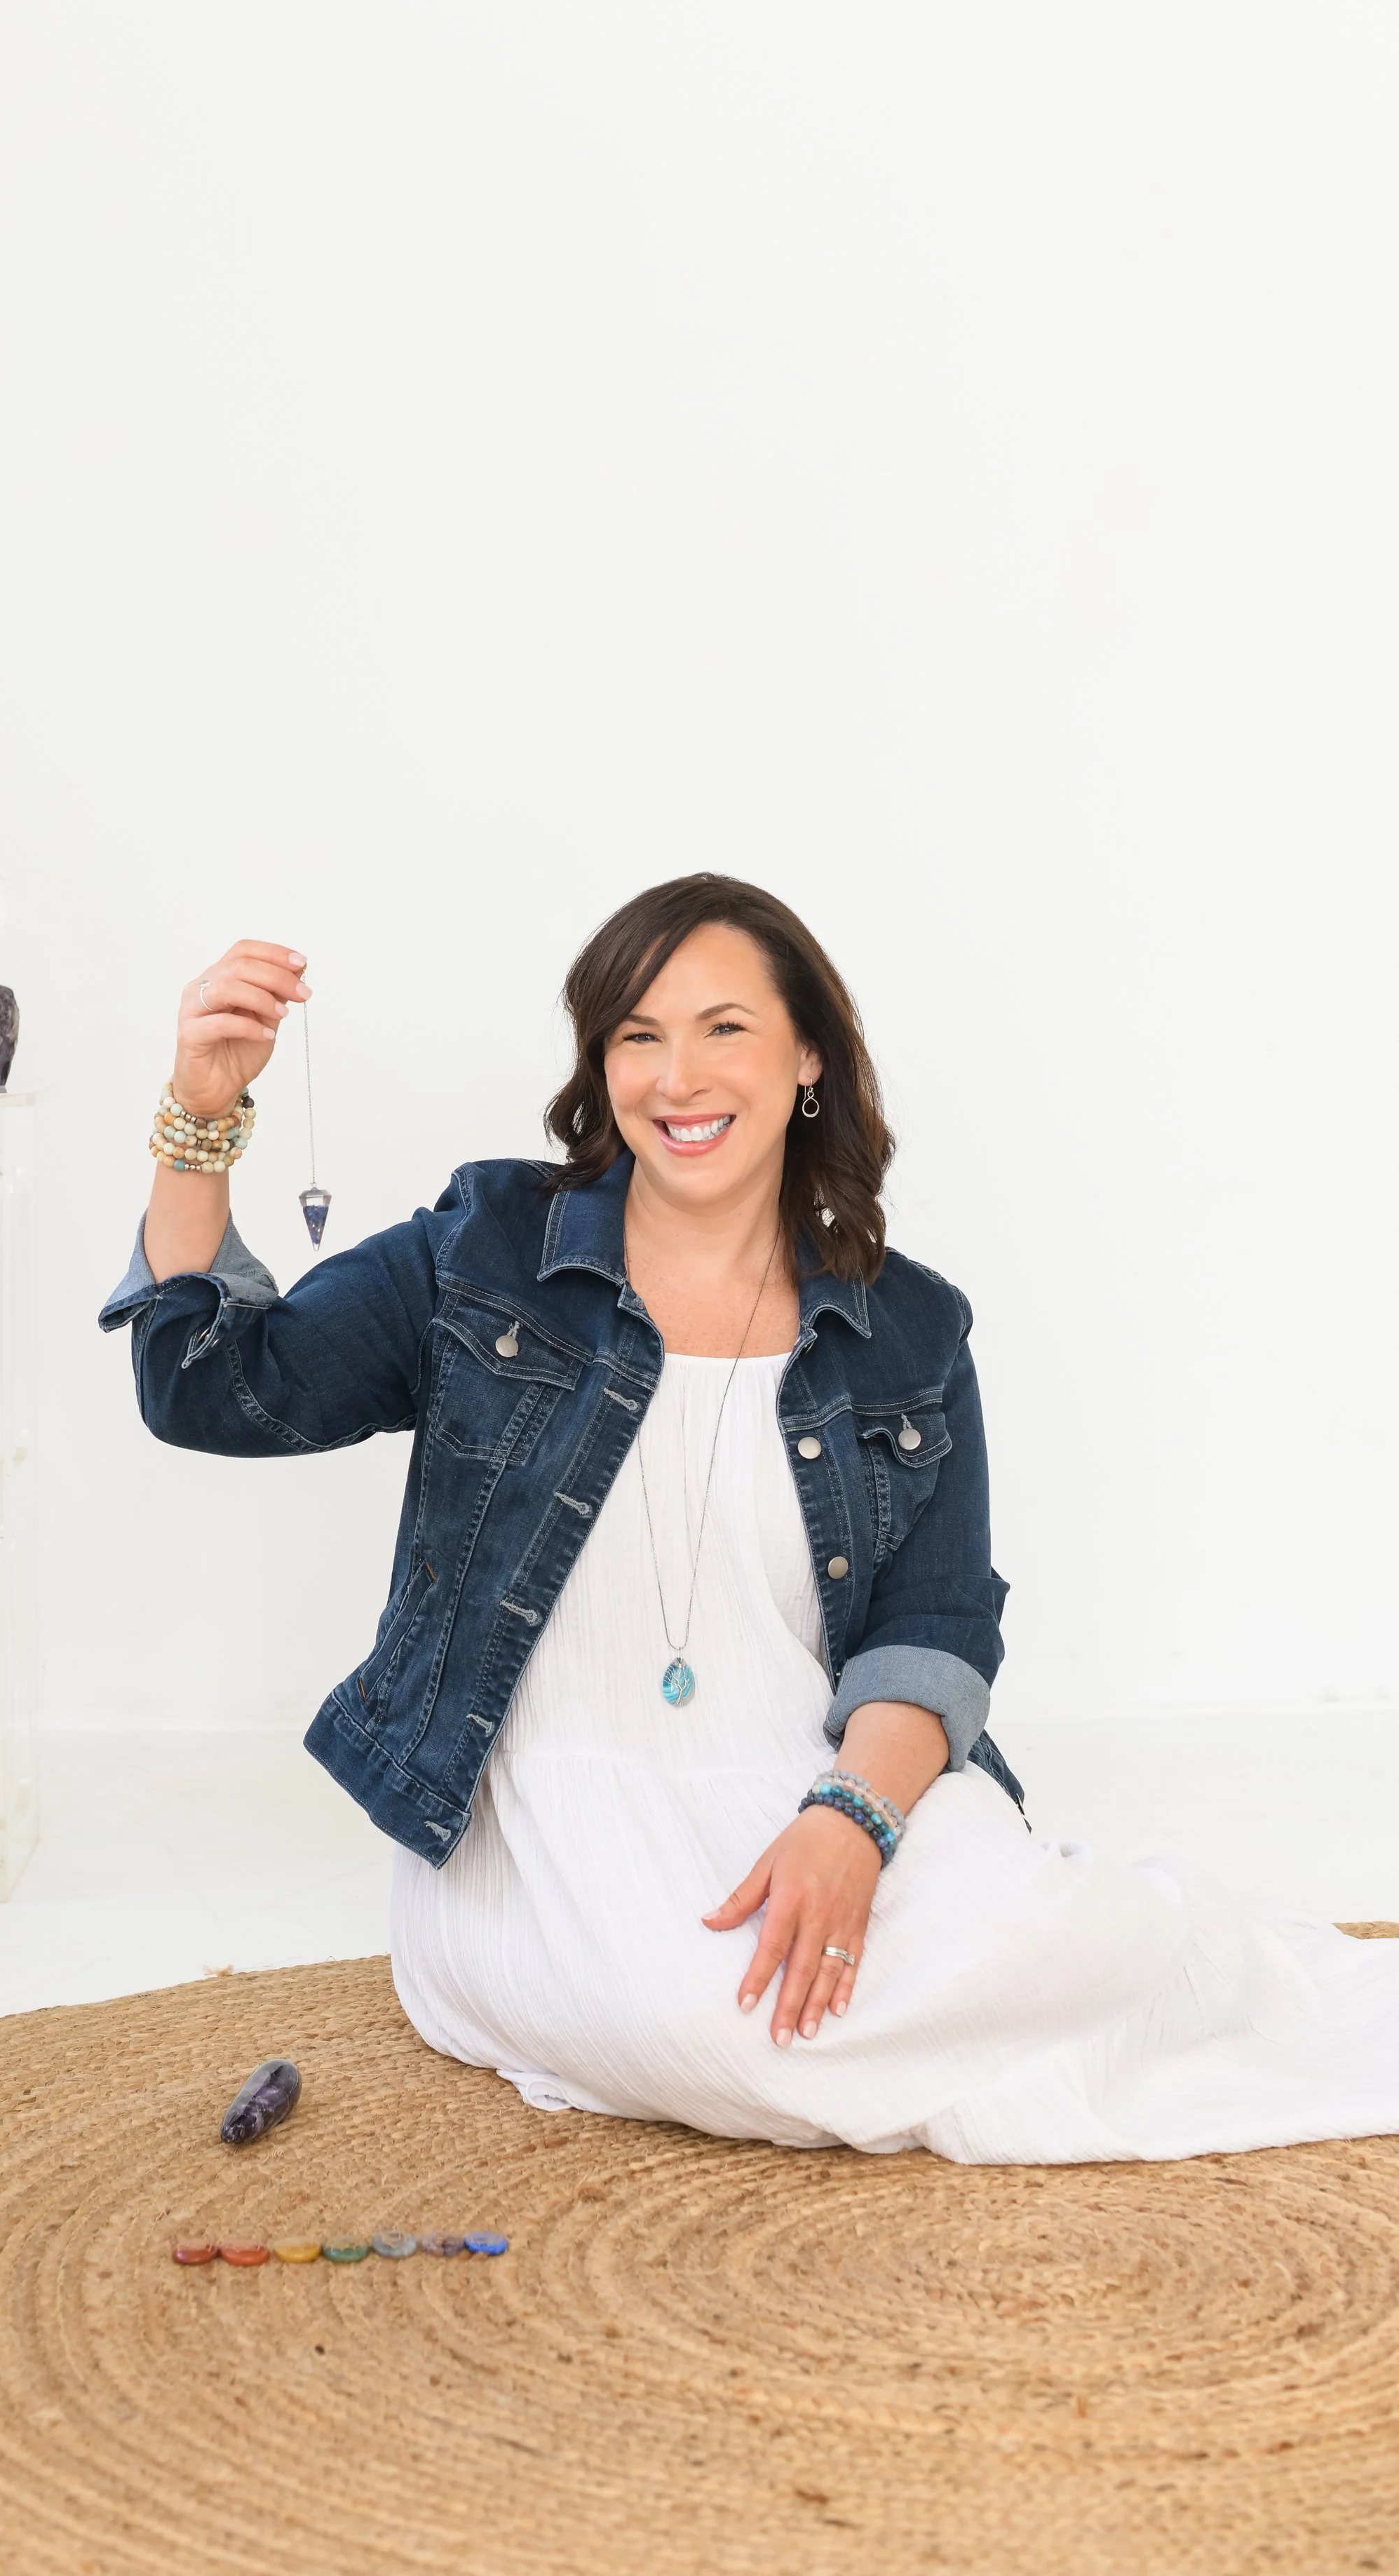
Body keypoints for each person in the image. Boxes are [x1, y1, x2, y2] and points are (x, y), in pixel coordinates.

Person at [102, 872, 1399, 2163]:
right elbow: (213, 1387)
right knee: (727, 2029)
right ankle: (1053, 2031)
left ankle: (1224, 1976)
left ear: (808, 1060)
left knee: (1043, 1932)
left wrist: (853, 1825)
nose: (679, 1077)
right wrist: (197, 1122)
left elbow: (936, 1621)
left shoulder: (911, 1324)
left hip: (828, 1779)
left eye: (725, 1029)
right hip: (552, 1830)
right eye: (637, 1035)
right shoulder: (483, 1250)